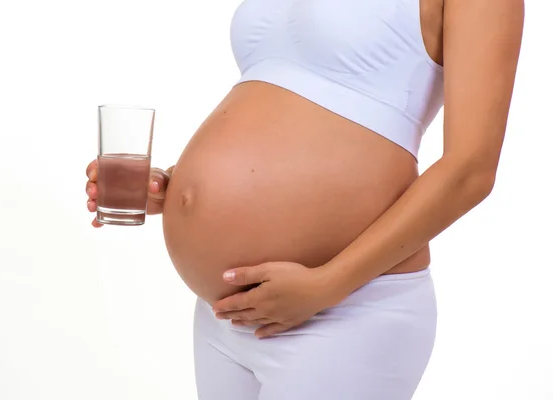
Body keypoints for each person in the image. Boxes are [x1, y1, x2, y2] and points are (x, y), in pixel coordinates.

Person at [85, 0, 524, 398]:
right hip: (224, 318)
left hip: (345, 313)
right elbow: (287, 102)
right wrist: (178, 185)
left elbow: (471, 169)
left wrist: (328, 285)